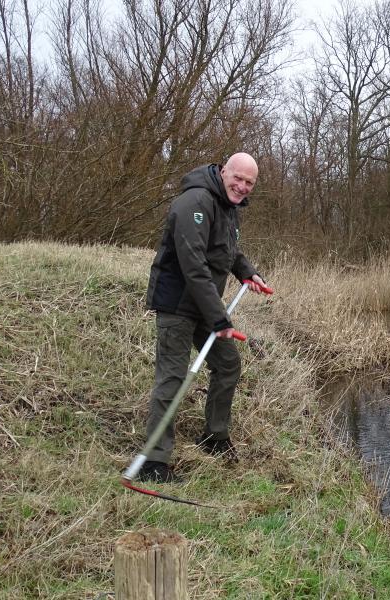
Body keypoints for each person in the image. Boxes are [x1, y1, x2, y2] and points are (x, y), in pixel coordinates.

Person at [140, 152, 267, 483]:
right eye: (237, 178)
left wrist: (246, 272)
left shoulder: (228, 207)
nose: (241, 186)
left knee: (228, 364)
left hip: (202, 304)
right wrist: (220, 319)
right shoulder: (195, 201)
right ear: (224, 171)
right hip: (178, 304)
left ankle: (214, 437)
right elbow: (193, 264)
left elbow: (228, 249)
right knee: (172, 378)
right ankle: (154, 462)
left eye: (249, 182)